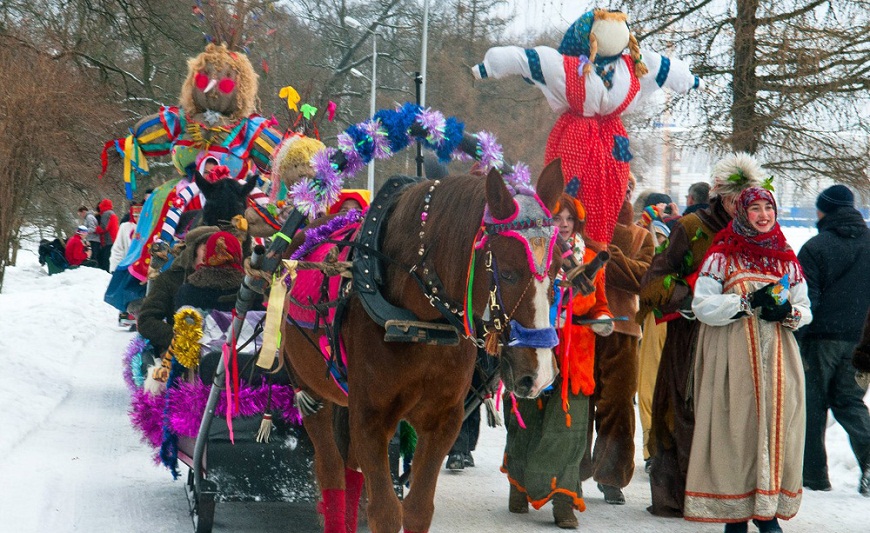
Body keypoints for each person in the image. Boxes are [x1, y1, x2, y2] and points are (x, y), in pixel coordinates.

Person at [637, 152, 762, 517]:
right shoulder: (692, 227)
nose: (743, 204)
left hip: (740, 339)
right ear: (720, 195)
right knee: (685, 414)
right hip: (690, 337)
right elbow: (653, 280)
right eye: (736, 197)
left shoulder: (758, 231)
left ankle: (729, 496)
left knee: (732, 416)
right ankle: (682, 495)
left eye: (748, 197)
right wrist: (689, 298)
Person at [685, 186, 812, 532]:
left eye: (767, 208)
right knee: (737, 431)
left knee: (774, 430)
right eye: (754, 208)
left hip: (779, 362)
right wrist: (744, 304)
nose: (763, 215)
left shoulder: (785, 256)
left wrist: (789, 313)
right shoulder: (721, 255)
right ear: (742, 213)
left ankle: (766, 510)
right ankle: (737, 515)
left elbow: (805, 308)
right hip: (734, 361)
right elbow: (703, 305)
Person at [503, 193, 612, 529]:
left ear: (577, 223)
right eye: (557, 218)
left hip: (576, 356)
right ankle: (519, 485)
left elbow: (600, 303)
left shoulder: (592, 257)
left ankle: (564, 502)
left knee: (569, 430)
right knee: (527, 424)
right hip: (536, 353)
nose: (563, 224)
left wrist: (603, 318)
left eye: (568, 218)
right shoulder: (536, 256)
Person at [579, 175, 654, 504]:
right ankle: (573, 469)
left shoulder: (642, 234)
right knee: (580, 399)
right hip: (583, 324)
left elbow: (643, 278)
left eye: (626, 190)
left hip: (624, 330)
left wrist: (605, 254)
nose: (621, 196)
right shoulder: (584, 228)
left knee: (619, 404)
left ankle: (611, 476)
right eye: (615, 188)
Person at [796, 184, 870, 496]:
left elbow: (806, 298)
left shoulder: (815, 247)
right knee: (851, 401)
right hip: (859, 339)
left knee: (813, 407)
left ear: (823, 210)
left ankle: (814, 477)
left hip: (821, 338)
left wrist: (798, 340)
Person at [137, 225, 220, 356]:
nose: (212, 254)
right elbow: (146, 320)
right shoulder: (170, 279)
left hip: (219, 354)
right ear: (193, 250)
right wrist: (180, 340)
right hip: (180, 354)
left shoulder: (224, 278)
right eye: (206, 248)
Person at [635, 216, 671, 473]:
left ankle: (660, 449)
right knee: (648, 387)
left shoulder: (671, 255)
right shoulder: (641, 247)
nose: (656, 242)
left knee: (658, 388)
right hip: (652, 320)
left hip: (664, 320)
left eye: (659, 237)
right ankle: (653, 450)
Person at [95, 198, 119, 271]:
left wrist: (96, 229)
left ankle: (106, 272)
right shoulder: (112, 213)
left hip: (109, 239)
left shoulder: (106, 214)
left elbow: (104, 228)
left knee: (106, 258)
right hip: (114, 238)